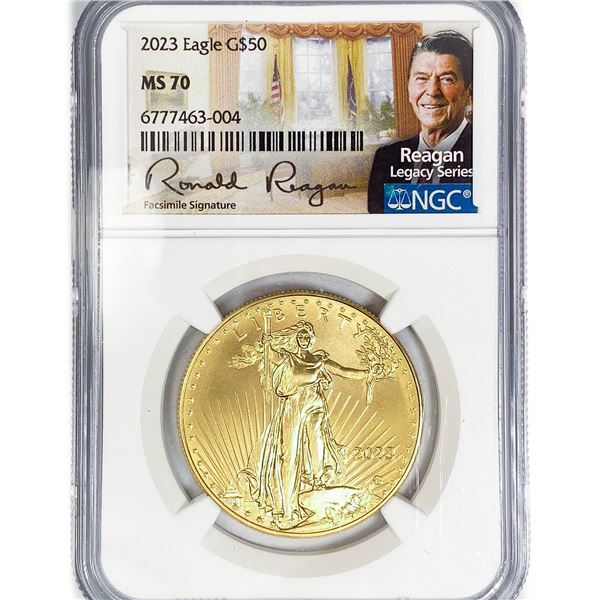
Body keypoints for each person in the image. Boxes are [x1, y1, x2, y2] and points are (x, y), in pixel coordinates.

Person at [242, 321, 371, 530]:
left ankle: (318, 477)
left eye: (307, 336)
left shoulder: (320, 361)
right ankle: (288, 506)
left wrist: (369, 373)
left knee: (317, 439)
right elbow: (271, 355)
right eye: (300, 336)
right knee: (289, 454)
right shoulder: (288, 359)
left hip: (315, 404)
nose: (303, 339)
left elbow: (344, 371)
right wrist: (266, 343)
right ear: (296, 339)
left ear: (312, 339)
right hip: (293, 406)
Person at [368, 31, 473, 213]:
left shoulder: (487, 158)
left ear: (469, 93)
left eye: (447, 79)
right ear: (409, 88)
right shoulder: (386, 159)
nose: (432, 91)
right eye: (422, 79)